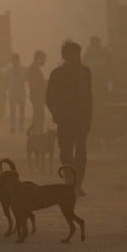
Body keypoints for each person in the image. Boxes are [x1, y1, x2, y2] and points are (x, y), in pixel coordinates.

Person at [46, 40, 92, 196]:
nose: (76, 57)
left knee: (81, 154)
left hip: (82, 120)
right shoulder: (57, 74)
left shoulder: (85, 73)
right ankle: (69, 183)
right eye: (73, 54)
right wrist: (57, 114)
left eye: (78, 53)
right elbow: (49, 98)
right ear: (65, 56)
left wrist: (89, 118)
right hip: (65, 120)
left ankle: (77, 185)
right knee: (66, 153)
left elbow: (89, 97)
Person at [85, 36, 110, 144]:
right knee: (99, 113)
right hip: (97, 89)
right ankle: (97, 136)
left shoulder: (89, 56)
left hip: (96, 89)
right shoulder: (101, 55)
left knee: (96, 113)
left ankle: (95, 136)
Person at [4, 53, 27, 133]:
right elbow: (5, 81)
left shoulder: (23, 69)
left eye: (15, 60)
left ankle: (21, 126)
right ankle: (12, 126)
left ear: (18, 60)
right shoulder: (8, 70)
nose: (14, 62)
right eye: (13, 60)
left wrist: (20, 74)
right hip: (12, 93)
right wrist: (5, 91)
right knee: (12, 110)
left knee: (22, 110)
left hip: (21, 93)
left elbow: (27, 79)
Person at [26, 50, 47, 130]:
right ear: (38, 58)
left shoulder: (34, 69)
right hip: (37, 95)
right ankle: (37, 131)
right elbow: (35, 84)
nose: (44, 61)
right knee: (39, 115)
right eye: (43, 59)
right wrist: (45, 83)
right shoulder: (33, 69)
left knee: (38, 114)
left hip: (37, 95)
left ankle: (36, 131)